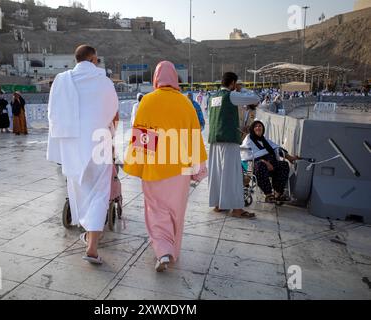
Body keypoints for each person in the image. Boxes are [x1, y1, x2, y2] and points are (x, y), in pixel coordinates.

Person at [123, 61, 208, 272]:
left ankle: (163, 250)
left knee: (155, 209)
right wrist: (197, 167)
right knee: (176, 211)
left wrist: (137, 166)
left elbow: (142, 138)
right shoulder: (185, 103)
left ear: (156, 78)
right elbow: (194, 137)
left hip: (154, 168)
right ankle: (172, 250)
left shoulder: (148, 101)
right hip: (180, 170)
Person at [47, 45, 118, 265]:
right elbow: (113, 113)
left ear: (76, 59)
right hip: (98, 142)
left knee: (79, 188)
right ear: (94, 59)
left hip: (72, 144)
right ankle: (92, 247)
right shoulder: (104, 82)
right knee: (99, 193)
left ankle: (88, 231)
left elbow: (53, 113)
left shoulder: (61, 80)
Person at [208, 72, 259, 218]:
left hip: (214, 141)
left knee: (217, 174)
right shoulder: (231, 95)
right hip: (229, 141)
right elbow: (255, 99)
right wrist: (240, 89)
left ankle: (219, 204)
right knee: (233, 175)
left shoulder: (212, 97)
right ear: (233, 83)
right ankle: (237, 209)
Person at [241, 120, 299, 203]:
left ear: (263, 129)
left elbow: (276, 149)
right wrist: (265, 162)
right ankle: (268, 194)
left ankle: (278, 193)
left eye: (260, 126)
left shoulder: (266, 141)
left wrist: (290, 158)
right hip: (255, 165)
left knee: (284, 165)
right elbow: (247, 155)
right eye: (256, 126)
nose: (258, 127)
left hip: (270, 163)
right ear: (252, 129)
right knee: (261, 165)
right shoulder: (249, 141)